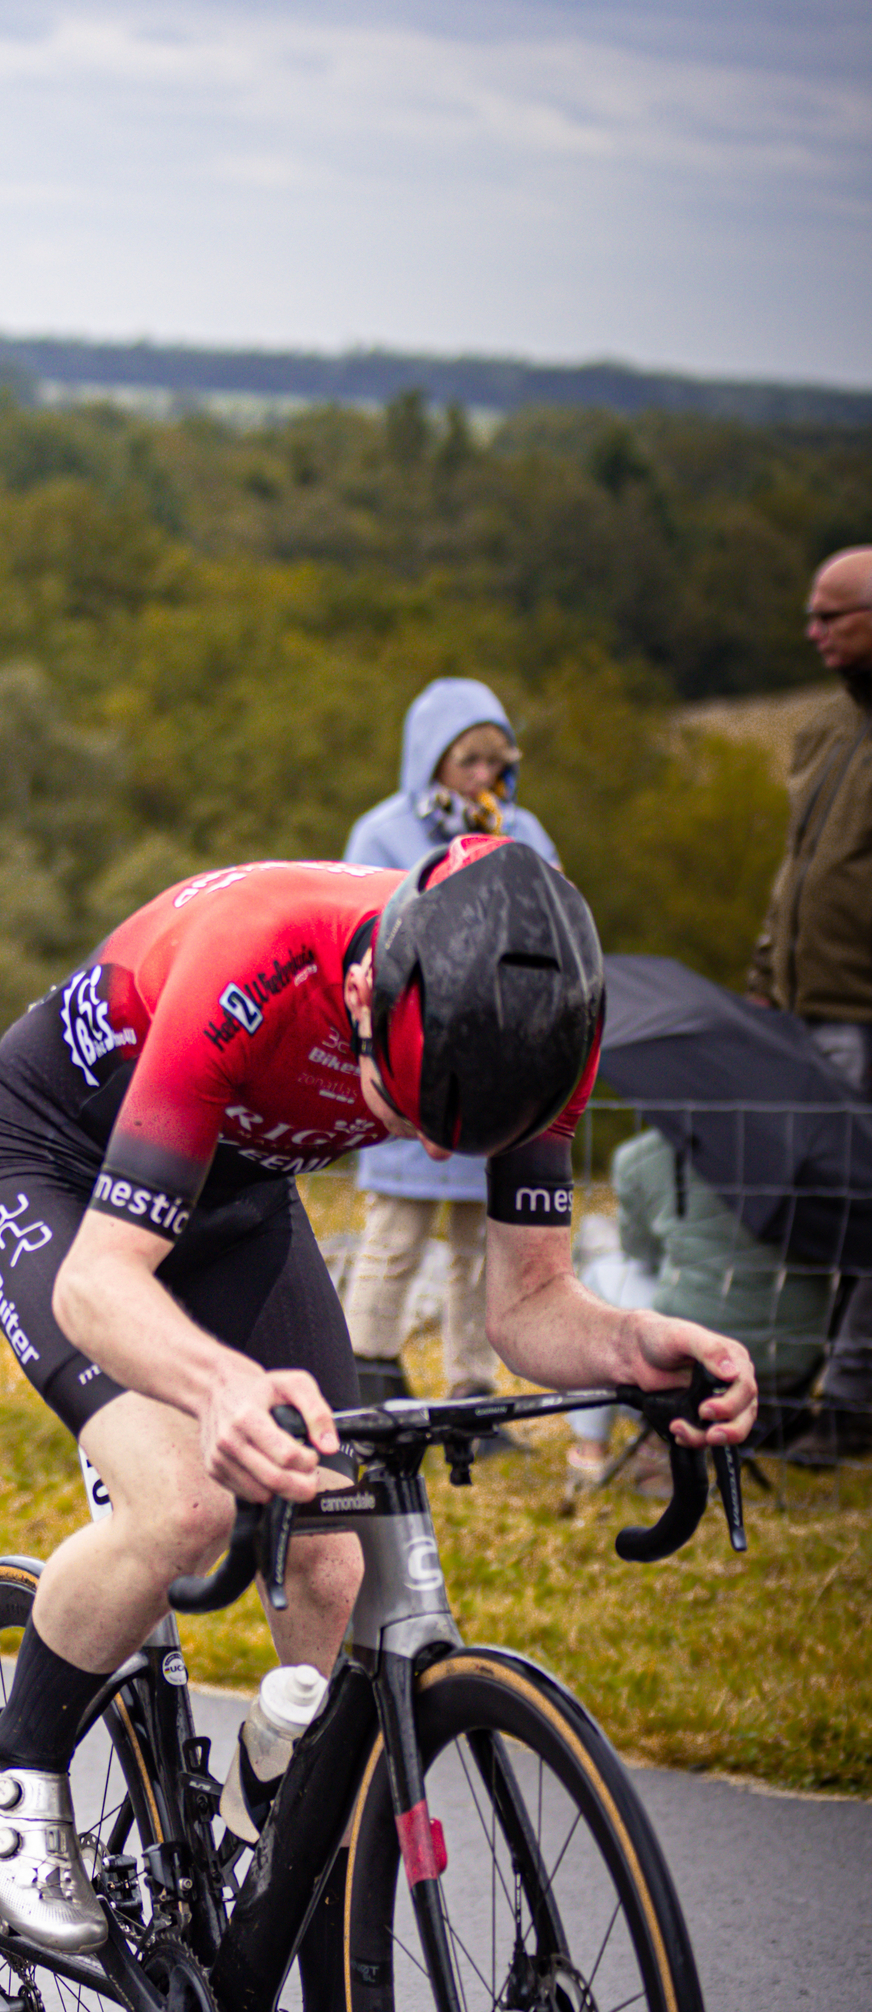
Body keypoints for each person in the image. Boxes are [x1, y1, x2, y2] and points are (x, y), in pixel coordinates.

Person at [0, 834, 756, 2012]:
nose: (406, 1137)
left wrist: (633, 1350)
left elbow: (528, 1306)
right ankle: (18, 1769)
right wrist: (215, 1390)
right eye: (397, 1100)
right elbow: (100, 1290)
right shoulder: (254, 957)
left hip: (226, 1201)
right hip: (55, 1177)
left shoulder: (545, 1031)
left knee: (334, 1569)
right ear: (374, 991)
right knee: (181, 1509)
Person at [341, 680, 560, 1416]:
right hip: (412, 1059)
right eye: (468, 760)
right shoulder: (381, 833)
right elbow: (361, 930)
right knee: (395, 1234)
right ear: (429, 760)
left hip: (494, 1064)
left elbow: (554, 925)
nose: (482, 778)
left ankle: (472, 1390)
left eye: (497, 762)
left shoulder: (524, 830)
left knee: (478, 1245)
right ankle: (365, 1371)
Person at [746, 544, 872, 1464]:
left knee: (864, 1207)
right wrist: (763, 977)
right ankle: (800, 1384)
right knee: (813, 1205)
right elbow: (797, 873)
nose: (813, 632)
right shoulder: (826, 729)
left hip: (864, 1013)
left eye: (832, 616)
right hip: (802, 1008)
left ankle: (855, 1399)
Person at [565, 1130, 832, 1483]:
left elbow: (640, 1251)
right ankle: (657, 1439)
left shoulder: (643, 1155)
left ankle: (592, 1449)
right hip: (789, 1358)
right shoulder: (812, 1153)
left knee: (599, 1273)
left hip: (690, 1356)